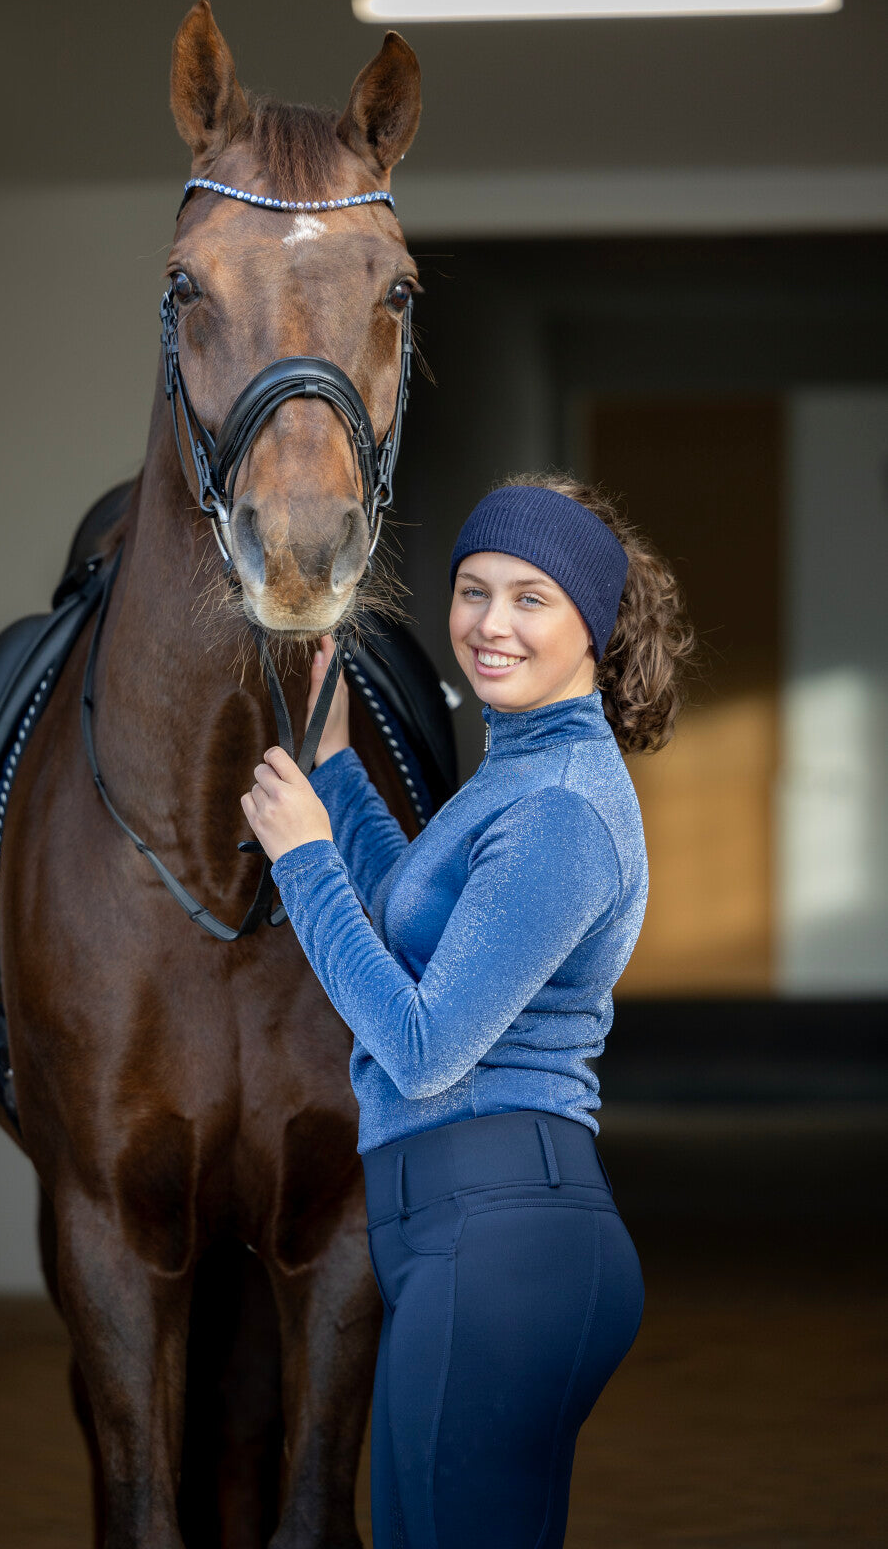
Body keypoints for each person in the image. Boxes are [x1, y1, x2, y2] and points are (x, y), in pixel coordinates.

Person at [240, 473, 694, 1548]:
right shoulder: (518, 774)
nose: (490, 623)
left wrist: (303, 862)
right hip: (465, 1232)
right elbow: (418, 920)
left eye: (530, 597)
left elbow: (424, 1045)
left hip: (501, 1241)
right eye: (473, 589)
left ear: (592, 624)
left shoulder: (561, 808)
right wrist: (337, 771)